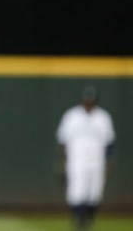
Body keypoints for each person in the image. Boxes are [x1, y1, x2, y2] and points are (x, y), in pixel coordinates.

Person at [55, 85, 115, 231]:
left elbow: (110, 142)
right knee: (77, 190)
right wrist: (61, 160)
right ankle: (78, 219)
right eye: (86, 99)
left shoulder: (103, 117)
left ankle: (89, 219)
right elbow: (62, 140)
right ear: (82, 100)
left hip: (97, 160)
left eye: (91, 100)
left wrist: (109, 162)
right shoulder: (72, 116)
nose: (88, 102)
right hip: (77, 159)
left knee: (94, 191)